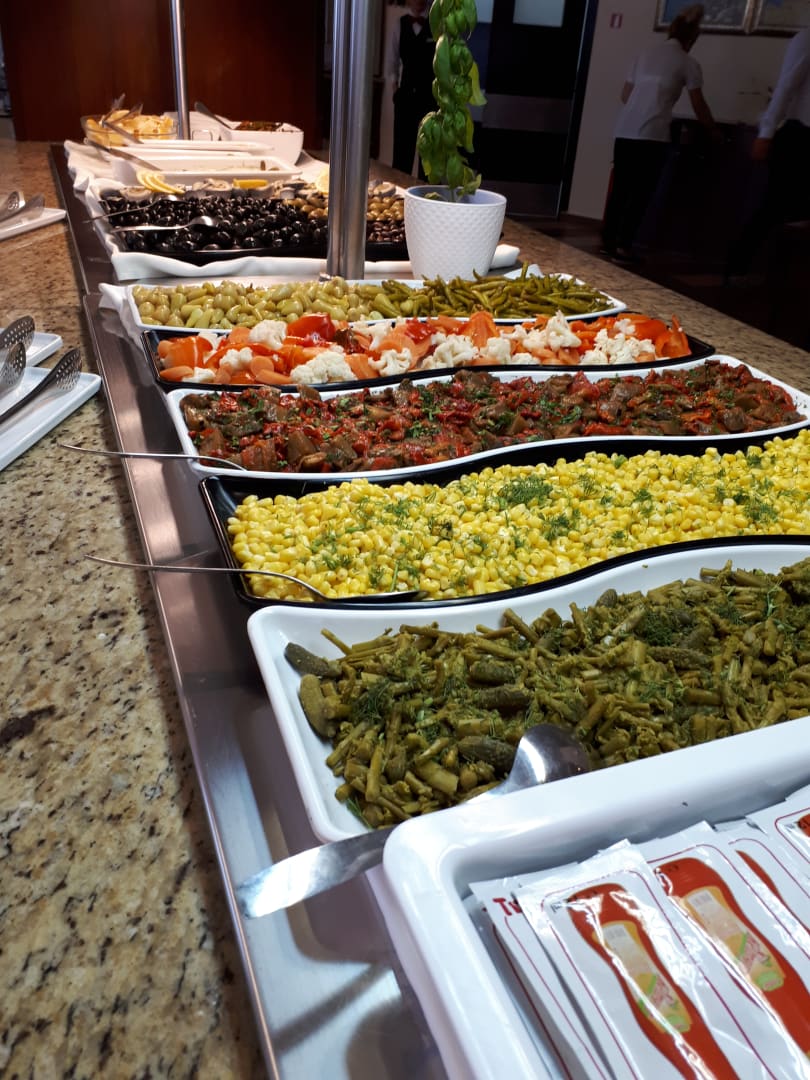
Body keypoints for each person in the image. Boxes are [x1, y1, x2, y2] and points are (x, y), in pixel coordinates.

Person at [601, 4, 717, 263]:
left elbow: (625, 95)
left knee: (620, 189)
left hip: (625, 129)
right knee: (641, 192)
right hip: (653, 133)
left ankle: (608, 241)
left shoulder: (644, 55)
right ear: (692, 38)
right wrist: (712, 130)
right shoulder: (687, 62)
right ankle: (624, 245)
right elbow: (699, 104)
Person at [725, 28, 810, 279]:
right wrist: (766, 132)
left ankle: (781, 277)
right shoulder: (806, 38)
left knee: (791, 212)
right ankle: (738, 268)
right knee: (774, 207)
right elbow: (786, 86)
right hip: (800, 136)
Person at [388, 0, 436, 176]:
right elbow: (392, 60)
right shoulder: (399, 24)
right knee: (402, 152)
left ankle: (426, 192)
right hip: (406, 97)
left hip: (430, 99)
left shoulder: (437, 25)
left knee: (429, 156)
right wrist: (395, 87)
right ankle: (400, 190)